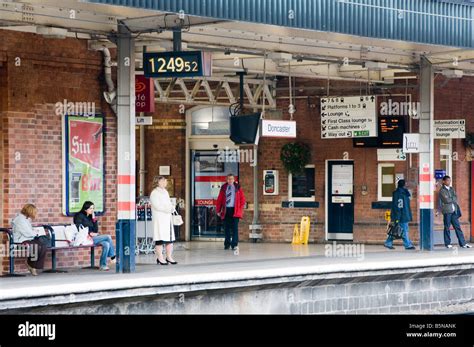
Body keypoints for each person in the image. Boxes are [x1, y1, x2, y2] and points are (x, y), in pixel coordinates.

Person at [73, 201, 116, 271]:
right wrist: (89, 233)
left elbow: (95, 230)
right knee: (108, 237)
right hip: (84, 238)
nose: (92, 210)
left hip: (92, 238)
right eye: (90, 208)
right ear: (85, 208)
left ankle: (103, 265)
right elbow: (78, 227)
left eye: (93, 208)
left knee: (107, 244)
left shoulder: (90, 217)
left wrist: (94, 219)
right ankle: (113, 257)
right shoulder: (79, 216)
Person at [11, 204, 48, 276]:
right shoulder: (20, 220)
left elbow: (29, 232)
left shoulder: (25, 219)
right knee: (36, 246)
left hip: (28, 239)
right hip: (20, 241)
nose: (35, 214)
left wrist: (34, 232)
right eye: (34, 212)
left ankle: (33, 265)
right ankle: (32, 265)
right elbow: (28, 233)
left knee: (43, 245)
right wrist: (36, 233)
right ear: (29, 211)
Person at [437, 176, 472, 249]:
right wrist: (452, 199)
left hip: (454, 211)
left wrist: (451, 198)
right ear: (443, 181)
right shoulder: (442, 190)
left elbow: (455, 198)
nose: (449, 182)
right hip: (447, 212)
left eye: (449, 181)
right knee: (447, 227)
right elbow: (446, 200)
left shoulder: (452, 189)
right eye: (447, 181)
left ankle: (463, 243)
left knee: (458, 227)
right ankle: (448, 243)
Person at [150, 176, 177, 265]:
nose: (165, 182)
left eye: (165, 181)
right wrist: (167, 209)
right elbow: (157, 206)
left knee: (169, 239)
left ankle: (169, 257)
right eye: (163, 181)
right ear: (157, 182)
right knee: (160, 239)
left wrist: (172, 208)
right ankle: (160, 258)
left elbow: (169, 203)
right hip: (159, 218)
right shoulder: (154, 193)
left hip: (167, 218)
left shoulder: (165, 192)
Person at [216, 173, 246, 250]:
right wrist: (218, 210)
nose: (230, 180)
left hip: (235, 210)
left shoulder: (237, 187)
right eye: (229, 179)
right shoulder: (223, 188)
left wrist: (240, 208)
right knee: (226, 228)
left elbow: (243, 199)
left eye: (231, 179)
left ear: (234, 179)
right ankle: (227, 244)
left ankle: (234, 244)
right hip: (226, 210)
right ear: (226, 180)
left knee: (235, 228)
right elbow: (219, 200)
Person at [384, 180, 416, 250]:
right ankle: (407, 245)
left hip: (403, 215)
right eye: (406, 184)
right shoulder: (400, 194)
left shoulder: (402, 193)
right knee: (404, 230)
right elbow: (399, 206)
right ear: (404, 185)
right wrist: (397, 218)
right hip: (402, 215)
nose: (407, 185)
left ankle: (388, 242)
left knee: (397, 229)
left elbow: (400, 206)